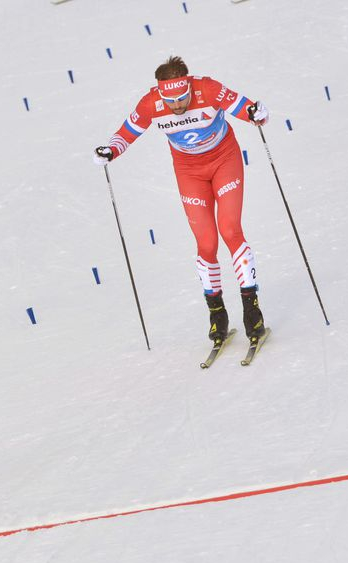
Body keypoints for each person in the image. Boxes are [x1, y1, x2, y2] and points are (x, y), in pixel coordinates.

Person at [93, 56, 269, 346]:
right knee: (206, 244)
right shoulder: (151, 104)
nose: (176, 105)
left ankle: (252, 311)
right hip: (189, 171)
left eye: (182, 97)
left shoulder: (207, 89)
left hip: (224, 160)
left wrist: (256, 112)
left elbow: (242, 106)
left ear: (189, 86)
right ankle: (217, 315)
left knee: (230, 230)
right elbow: (127, 132)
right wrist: (110, 151)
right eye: (170, 99)